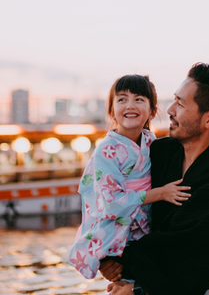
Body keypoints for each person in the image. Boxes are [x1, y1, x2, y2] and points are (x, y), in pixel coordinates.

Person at [100, 63, 209, 295]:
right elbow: (111, 196)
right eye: (174, 100)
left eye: (180, 103)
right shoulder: (156, 153)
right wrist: (103, 254)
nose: (170, 110)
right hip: (131, 279)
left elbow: (194, 255)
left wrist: (132, 279)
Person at [68, 74, 191, 279]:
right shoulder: (107, 150)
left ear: (152, 112)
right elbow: (112, 203)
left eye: (139, 99)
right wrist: (159, 194)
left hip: (145, 235)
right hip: (119, 240)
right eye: (122, 99)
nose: (130, 105)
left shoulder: (152, 141)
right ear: (112, 111)